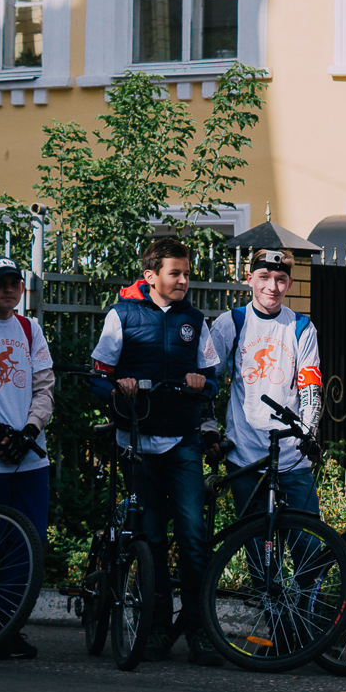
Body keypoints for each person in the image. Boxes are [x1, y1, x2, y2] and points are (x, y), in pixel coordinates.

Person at [90, 238, 222, 667]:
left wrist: (203, 384)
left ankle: (199, 629)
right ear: (151, 276)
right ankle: (158, 626)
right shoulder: (122, 315)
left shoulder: (195, 321)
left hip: (182, 442)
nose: (183, 281)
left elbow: (213, 379)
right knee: (150, 539)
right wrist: (118, 389)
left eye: (187, 274)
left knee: (194, 537)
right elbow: (98, 378)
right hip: (137, 444)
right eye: (175, 273)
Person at [207, 248, 323, 540]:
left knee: (308, 545)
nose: (272, 286)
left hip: (292, 456)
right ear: (249, 279)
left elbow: (310, 386)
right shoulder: (230, 322)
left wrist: (309, 432)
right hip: (245, 455)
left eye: (280, 279)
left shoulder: (301, 327)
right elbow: (207, 379)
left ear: (290, 284)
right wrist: (208, 429)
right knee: (257, 548)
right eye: (264, 277)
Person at [0, 257, 54, 660]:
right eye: (0, 283)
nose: (9, 289)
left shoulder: (29, 329)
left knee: (28, 544)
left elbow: (44, 387)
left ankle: (5, 626)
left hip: (29, 459)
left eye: (15, 283)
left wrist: (29, 430)